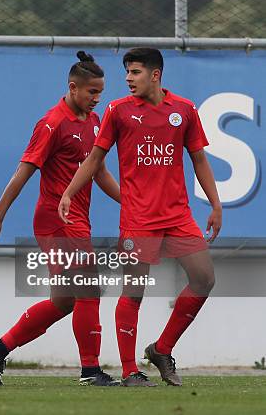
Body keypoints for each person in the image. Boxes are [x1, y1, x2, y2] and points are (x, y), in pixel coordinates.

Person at [59, 47, 221, 387]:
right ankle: (130, 369)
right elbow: (94, 160)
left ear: (155, 75)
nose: (129, 79)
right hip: (139, 218)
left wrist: (215, 204)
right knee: (134, 292)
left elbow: (200, 160)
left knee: (204, 279)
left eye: (135, 73)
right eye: (127, 73)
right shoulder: (118, 111)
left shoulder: (184, 110)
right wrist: (70, 192)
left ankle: (161, 349)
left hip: (178, 215)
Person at [0, 51, 121, 386]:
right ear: (73, 88)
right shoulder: (52, 123)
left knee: (63, 301)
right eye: (91, 93)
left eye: (101, 93)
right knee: (89, 287)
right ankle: (90, 370)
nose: (97, 99)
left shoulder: (94, 121)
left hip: (76, 219)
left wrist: (130, 202)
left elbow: (99, 172)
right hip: (56, 219)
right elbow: (22, 172)